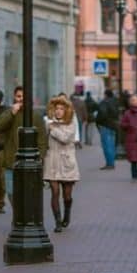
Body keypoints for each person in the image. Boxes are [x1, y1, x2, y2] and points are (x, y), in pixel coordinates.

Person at [0, 86, 48, 203]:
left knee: (27, 193)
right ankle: (18, 216)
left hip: (30, 161)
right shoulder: (9, 113)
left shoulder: (36, 116)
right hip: (11, 161)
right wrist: (11, 113)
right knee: (11, 192)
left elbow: (42, 140)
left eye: (24, 97)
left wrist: (40, 157)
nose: (21, 99)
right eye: (18, 96)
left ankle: (22, 217)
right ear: (15, 97)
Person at [43, 95, 80, 233]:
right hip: (51, 159)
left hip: (67, 161)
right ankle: (57, 222)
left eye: (61, 109)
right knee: (54, 192)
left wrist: (52, 129)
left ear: (66, 110)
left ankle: (67, 214)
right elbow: (42, 139)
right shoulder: (47, 122)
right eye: (56, 108)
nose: (58, 111)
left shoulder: (71, 123)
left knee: (67, 195)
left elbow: (65, 138)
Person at [96, 89, 121, 170]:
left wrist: (98, 122)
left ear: (105, 94)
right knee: (112, 145)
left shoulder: (104, 102)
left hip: (105, 125)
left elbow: (102, 114)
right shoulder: (116, 102)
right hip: (114, 125)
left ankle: (109, 164)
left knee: (107, 145)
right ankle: (111, 162)